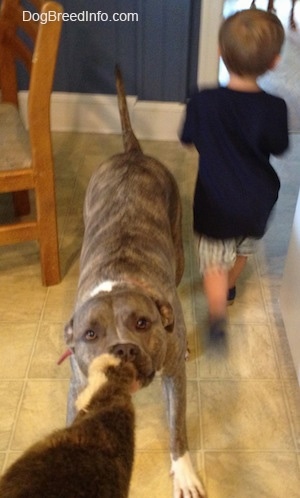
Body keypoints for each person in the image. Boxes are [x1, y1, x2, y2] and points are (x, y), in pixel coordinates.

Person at [180, 8, 289, 339]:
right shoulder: (275, 108)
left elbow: (188, 140)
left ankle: (216, 316)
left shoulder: (203, 100)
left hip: (216, 202)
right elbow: (279, 146)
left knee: (214, 261)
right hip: (258, 200)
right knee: (243, 249)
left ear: (220, 52)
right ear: (274, 62)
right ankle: (228, 288)